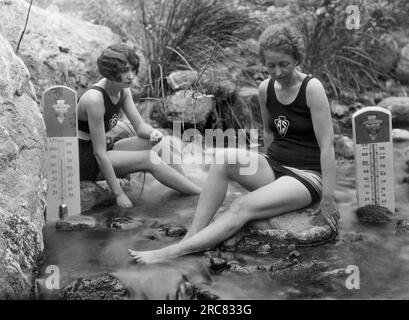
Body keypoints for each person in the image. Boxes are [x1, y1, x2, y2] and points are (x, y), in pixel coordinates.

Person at [129, 24, 339, 263]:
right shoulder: (265, 89)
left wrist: (329, 198)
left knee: (241, 206)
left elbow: (327, 145)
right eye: (271, 65)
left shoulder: (312, 88)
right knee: (223, 159)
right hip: (276, 167)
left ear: (297, 59)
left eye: (284, 64)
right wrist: (261, 171)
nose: (278, 71)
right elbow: (269, 134)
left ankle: (172, 253)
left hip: (307, 176)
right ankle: (192, 235)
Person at [78, 43, 201, 208]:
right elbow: (99, 154)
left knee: (160, 142)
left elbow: (140, 127)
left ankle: (186, 185)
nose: (131, 76)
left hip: (105, 149)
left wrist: (154, 133)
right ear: (111, 71)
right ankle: (200, 195)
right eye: (124, 71)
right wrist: (119, 195)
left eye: (132, 70)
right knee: (148, 159)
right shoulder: (95, 100)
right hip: (86, 159)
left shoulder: (123, 91)